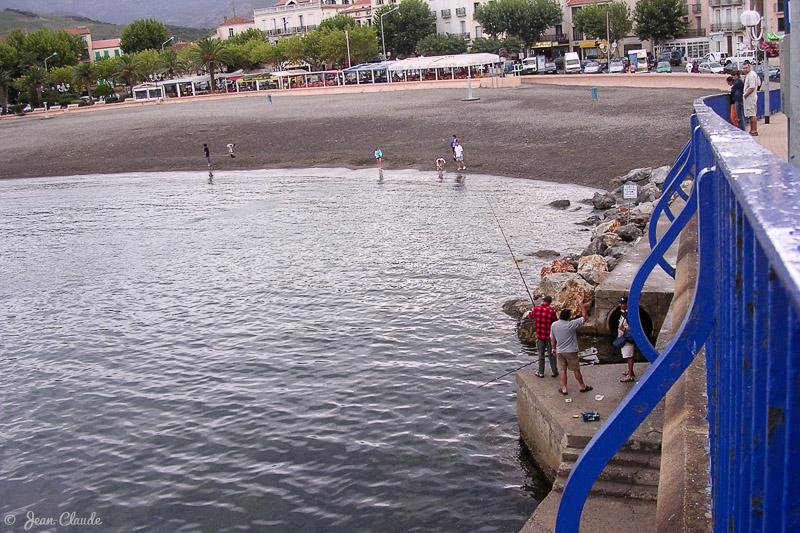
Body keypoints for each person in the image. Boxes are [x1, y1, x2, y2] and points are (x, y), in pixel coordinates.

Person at [551, 301, 592, 395]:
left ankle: (564, 389)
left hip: (559, 351)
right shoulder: (571, 324)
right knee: (576, 369)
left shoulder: (554, 325)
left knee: (562, 370)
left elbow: (552, 339)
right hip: (571, 351)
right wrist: (581, 305)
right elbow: (585, 317)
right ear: (569, 317)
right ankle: (582, 386)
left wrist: (553, 349)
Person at [528, 296, 559, 378]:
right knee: (551, 354)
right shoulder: (551, 311)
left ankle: (541, 372)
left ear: (543, 301)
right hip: (549, 337)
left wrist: (532, 311)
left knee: (540, 354)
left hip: (540, 336)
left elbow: (531, 316)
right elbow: (555, 323)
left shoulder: (536, 309)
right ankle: (554, 371)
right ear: (550, 302)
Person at [617, 297, 637, 382]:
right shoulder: (624, 313)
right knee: (627, 355)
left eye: (622, 303)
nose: (620, 305)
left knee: (629, 356)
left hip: (627, 339)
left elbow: (633, 329)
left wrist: (623, 329)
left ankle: (630, 375)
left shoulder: (629, 316)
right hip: (623, 338)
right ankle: (630, 371)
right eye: (620, 303)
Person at [742, 60, 759, 136]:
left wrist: (745, 95)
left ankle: (754, 130)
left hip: (750, 98)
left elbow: (752, 88)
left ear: (749, 67)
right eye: (744, 68)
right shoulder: (751, 74)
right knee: (751, 114)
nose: (745, 69)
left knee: (752, 114)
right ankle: (752, 130)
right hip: (751, 97)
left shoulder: (751, 75)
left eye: (746, 68)